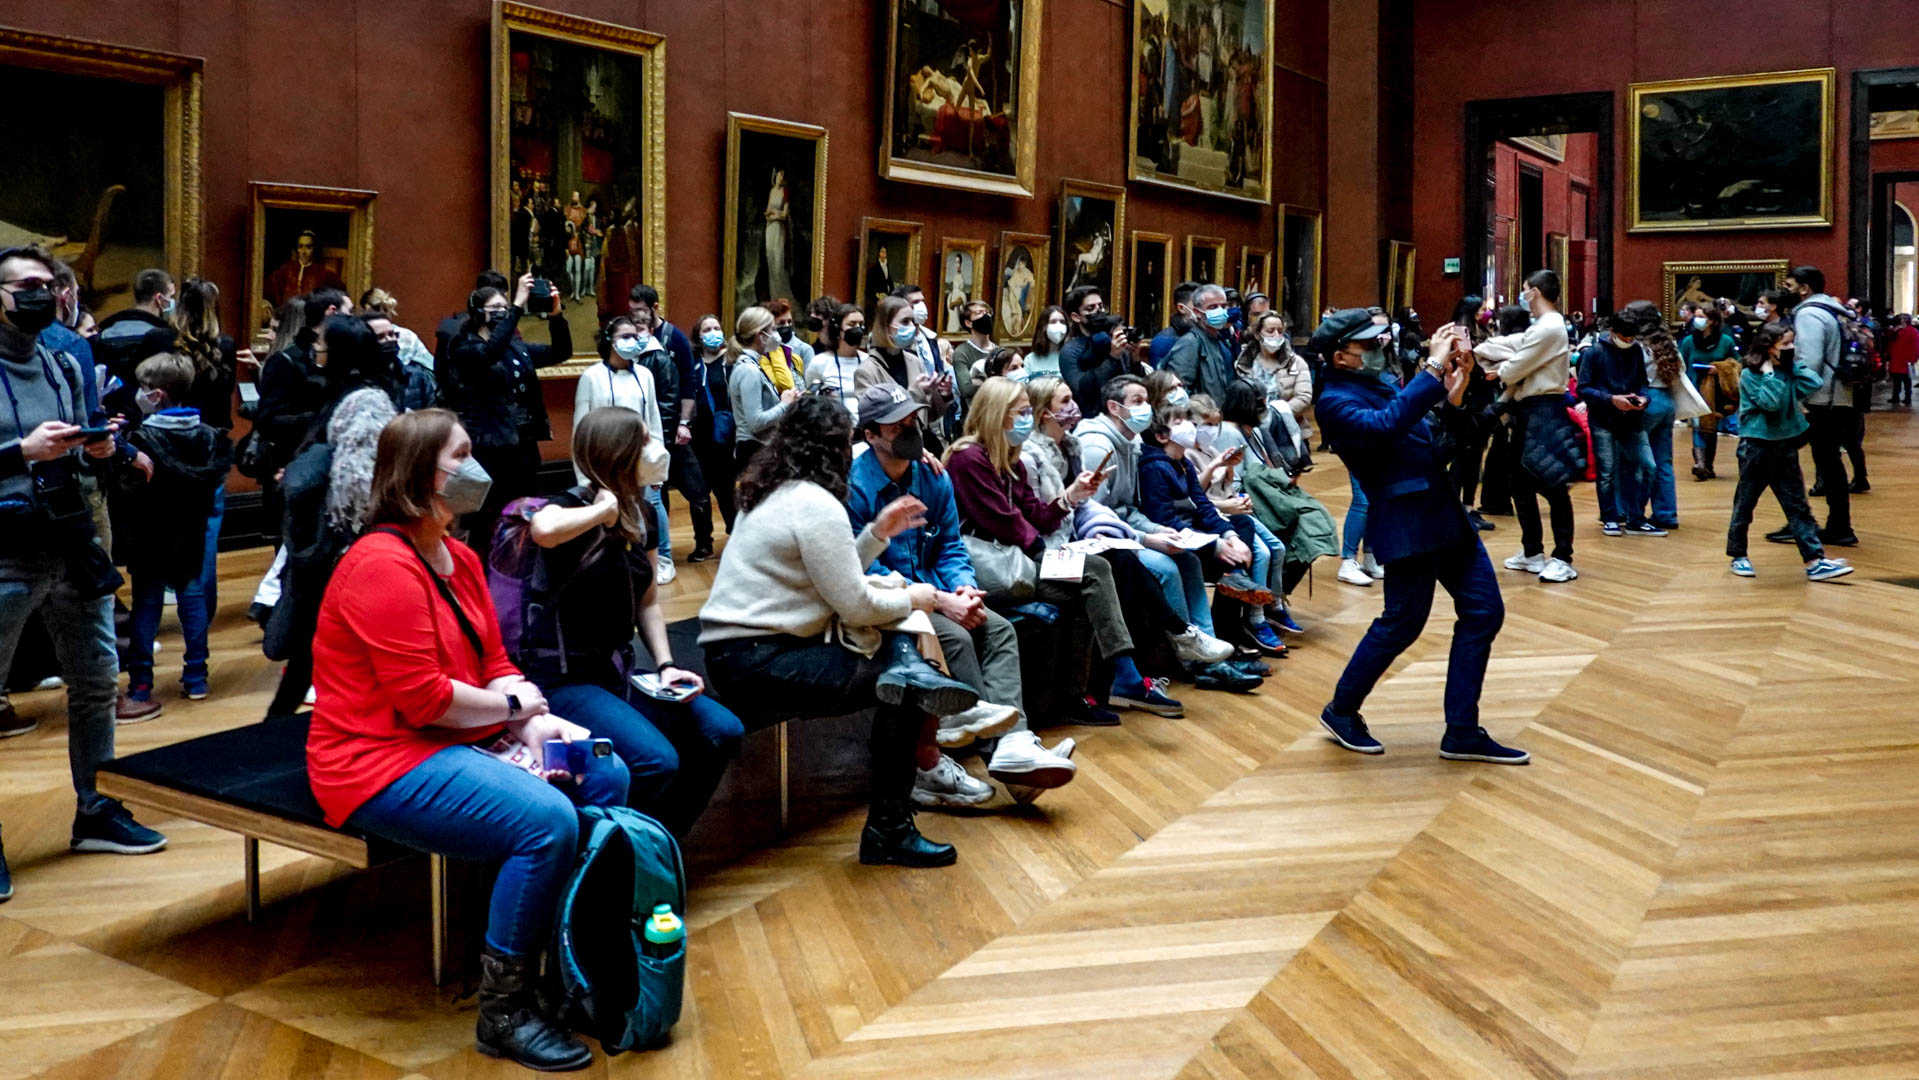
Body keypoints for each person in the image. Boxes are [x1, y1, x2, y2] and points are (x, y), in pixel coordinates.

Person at [307, 408, 622, 1071]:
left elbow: (494, 660)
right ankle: (504, 1009)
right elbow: (423, 700)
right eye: (462, 454)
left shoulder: (461, 557)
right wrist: (514, 707)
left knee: (605, 773)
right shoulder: (379, 564)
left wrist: (533, 722)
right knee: (545, 821)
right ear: (423, 472)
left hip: (459, 736)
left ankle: (568, 969)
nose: (475, 467)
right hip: (378, 758)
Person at [700, 394, 979, 867]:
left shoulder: (774, 489)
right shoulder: (815, 502)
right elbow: (854, 604)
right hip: (762, 661)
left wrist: (876, 534)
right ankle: (891, 828)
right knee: (906, 688)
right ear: (835, 448)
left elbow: (833, 574)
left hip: (739, 654)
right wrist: (921, 598)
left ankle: (941, 710)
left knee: (903, 670)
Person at [0, 245, 169, 904]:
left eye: (49, 284)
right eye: (26, 285)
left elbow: (79, 447)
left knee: (97, 682)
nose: (43, 295)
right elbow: (29, 449)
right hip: (6, 548)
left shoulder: (63, 360)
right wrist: (20, 451)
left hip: (70, 539)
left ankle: (97, 810)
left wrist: (105, 447)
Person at [847, 383, 1080, 801]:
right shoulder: (855, 487)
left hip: (940, 590)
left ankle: (1015, 744)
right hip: (892, 598)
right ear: (870, 435)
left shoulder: (931, 476)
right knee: (956, 636)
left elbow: (951, 545)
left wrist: (964, 587)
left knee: (999, 629)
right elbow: (865, 566)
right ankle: (1006, 754)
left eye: (913, 420)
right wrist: (941, 601)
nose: (910, 429)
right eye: (896, 426)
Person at [1311, 311, 1525, 764]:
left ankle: (1462, 730)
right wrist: (1430, 369)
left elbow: (1434, 443)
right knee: (1402, 623)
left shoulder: (1382, 384)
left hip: (1444, 514)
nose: (1378, 349)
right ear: (1340, 357)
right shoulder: (1334, 401)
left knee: (1484, 613)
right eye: (1368, 345)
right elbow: (1384, 427)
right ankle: (1341, 709)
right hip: (1406, 522)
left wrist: (1454, 395)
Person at [524, 406, 743, 834]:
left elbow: (648, 603)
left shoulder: (643, 512)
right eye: (643, 440)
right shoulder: (572, 504)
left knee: (723, 731)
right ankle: (610, 852)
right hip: (562, 681)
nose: (654, 448)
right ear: (617, 451)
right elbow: (543, 530)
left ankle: (658, 845)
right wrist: (600, 512)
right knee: (656, 760)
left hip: (617, 672)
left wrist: (666, 665)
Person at [948, 376, 1183, 722]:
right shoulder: (968, 458)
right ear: (997, 413)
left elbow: (1037, 515)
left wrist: (1071, 496)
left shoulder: (1010, 458)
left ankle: (1075, 697)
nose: (1028, 419)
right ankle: (1126, 671)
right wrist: (1049, 551)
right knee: (1095, 569)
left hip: (1021, 561)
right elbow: (1003, 520)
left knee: (1083, 592)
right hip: (990, 566)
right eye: (1022, 412)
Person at [1018, 375, 1199, 717]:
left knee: (1122, 560)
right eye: (1064, 401)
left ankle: (1149, 661)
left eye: (1072, 398)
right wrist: (1073, 499)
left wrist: (1119, 531)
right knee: (1111, 567)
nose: (1073, 406)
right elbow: (1039, 519)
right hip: (1045, 551)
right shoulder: (1030, 456)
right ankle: (1156, 654)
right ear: (1044, 413)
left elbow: (1088, 507)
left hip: (1073, 541)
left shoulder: (1071, 446)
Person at [1074, 375, 1259, 691]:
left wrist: (1160, 530)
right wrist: (1148, 538)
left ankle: (1209, 653)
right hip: (1102, 540)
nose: (1146, 407)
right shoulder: (1097, 447)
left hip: (1127, 528)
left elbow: (1129, 508)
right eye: (1137, 401)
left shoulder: (1132, 443)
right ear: (1114, 408)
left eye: (1147, 400)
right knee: (1167, 568)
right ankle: (1190, 660)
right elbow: (1094, 518)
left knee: (1189, 560)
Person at [117, 353, 232, 706]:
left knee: (146, 606)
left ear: (157, 395)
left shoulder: (140, 439)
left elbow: (129, 489)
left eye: (144, 387)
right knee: (193, 602)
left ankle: (141, 682)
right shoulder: (210, 436)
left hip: (150, 533)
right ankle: (197, 677)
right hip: (191, 530)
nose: (139, 392)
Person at [1137, 406, 1288, 654]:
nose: (1189, 425)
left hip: (1195, 531)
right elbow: (1165, 520)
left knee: (1242, 527)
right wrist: (1215, 544)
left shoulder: (1183, 463)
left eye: (1187, 419)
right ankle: (1231, 636)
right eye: (1179, 421)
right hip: (1176, 538)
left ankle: (1234, 591)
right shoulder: (1153, 468)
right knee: (1230, 564)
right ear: (1162, 436)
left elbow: (1203, 505)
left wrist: (1231, 537)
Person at [444, 272, 570, 559]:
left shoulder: (513, 345)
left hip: (523, 441)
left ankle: (521, 562)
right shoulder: (464, 346)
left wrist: (555, 316)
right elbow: (489, 353)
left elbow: (560, 352)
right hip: (490, 445)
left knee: (524, 506)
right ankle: (484, 566)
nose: (502, 313)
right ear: (478, 312)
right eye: (496, 308)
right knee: (490, 513)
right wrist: (516, 307)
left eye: (505, 307)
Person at [1726, 322, 1854, 583]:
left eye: (1792, 342)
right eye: (1785, 344)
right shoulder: (1751, 375)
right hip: (1757, 447)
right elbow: (1770, 404)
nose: (1791, 347)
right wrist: (1769, 374)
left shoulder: (1788, 371)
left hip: (1785, 445)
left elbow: (1814, 383)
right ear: (1768, 347)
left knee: (1797, 505)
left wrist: (1792, 365)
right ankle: (1738, 555)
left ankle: (1814, 560)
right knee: (1745, 503)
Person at [1478, 270, 1581, 583]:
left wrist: (1502, 369)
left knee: (1553, 484)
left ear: (1535, 291)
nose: (1522, 295)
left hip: (1544, 410)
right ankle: (1532, 552)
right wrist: (1496, 356)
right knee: (1520, 485)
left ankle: (1562, 557)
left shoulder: (1550, 326)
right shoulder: (1542, 326)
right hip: (1528, 411)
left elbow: (1513, 369)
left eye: (1525, 289)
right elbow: (1514, 347)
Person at [574, 315, 687, 582]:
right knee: (614, 512)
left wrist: (659, 465)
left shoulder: (644, 375)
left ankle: (662, 558)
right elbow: (581, 428)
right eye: (625, 336)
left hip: (640, 457)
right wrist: (583, 477)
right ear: (609, 341)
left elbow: (653, 419)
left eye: (635, 336)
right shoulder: (592, 377)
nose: (632, 341)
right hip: (606, 461)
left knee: (651, 508)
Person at [1773, 265, 1857, 547]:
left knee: (1783, 457)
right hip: (1836, 397)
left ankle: (1803, 523)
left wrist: (1796, 399)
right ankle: (1838, 526)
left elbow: (1808, 361)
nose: (1785, 289)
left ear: (1804, 288)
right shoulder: (1833, 310)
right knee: (1829, 462)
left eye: (1789, 285)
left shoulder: (1809, 314)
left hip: (1819, 401)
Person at [1576, 310, 1663, 538]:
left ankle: (1636, 517)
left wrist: (1644, 399)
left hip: (1632, 419)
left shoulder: (1635, 350)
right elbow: (1583, 388)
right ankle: (1610, 517)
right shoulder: (1594, 353)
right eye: (1625, 337)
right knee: (1606, 472)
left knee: (1648, 466)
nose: (1628, 340)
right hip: (1603, 420)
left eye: (1632, 337)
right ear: (1613, 332)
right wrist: (1611, 399)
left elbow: (1643, 383)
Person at [679, 314, 734, 551]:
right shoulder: (691, 363)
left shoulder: (731, 361)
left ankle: (737, 536)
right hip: (697, 438)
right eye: (706, 329)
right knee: (698, 492)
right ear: (698, 336)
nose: (713, 333)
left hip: (724, 437)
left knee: (726, 492)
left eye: (716, 328)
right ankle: (703, 543)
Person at [726, 305, 796, 476]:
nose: (776, 334)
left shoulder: (750, 365)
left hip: (757, 448)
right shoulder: (749, 370)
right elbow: (756, 422)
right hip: (753, 450)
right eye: (772, 329)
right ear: (760, 335)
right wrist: (785, 404)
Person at [1680, 303, 1741, 479]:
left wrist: (1720, 369)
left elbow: (1736, 363)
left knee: (1711, 427)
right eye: (1696, 316)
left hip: (1716, 391)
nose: (1697, 320)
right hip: (1694, 388)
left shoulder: (1726, 341)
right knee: (1697, 425)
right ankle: (1699, 463)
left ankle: (1709, 465)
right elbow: (1681, 363)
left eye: (1702, 317)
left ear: (1713, 321)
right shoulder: (1689, 341)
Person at [1164, 283, 1237, 402]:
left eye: (1223, 306)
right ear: (1197, 312)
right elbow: (1178, 391)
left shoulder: (1222, 341)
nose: (1220, 311)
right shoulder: (1190, 343)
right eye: (1213, 307)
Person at [362, 309, 438, 412]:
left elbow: (432, 414)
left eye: (391, 334)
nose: (389, 340)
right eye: (380, 337)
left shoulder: (417, 377)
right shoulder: (360, 384)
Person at [805, 303, 869, 424]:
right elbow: (810, 400)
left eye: (861, 324)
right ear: (837, 328)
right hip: (833, 429)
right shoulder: (819, 362)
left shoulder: (869, 361)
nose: (858, 328)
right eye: (852, 324)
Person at [265, 230, 345, 308]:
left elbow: (339, 294)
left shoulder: (324, 273)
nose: (303, 252)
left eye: (308, 247)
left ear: (314, 249)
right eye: (300, 247)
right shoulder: (286, 270)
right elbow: (269, 288)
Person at [950, 300, 997, 409]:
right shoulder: (962, 352)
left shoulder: (999, 351)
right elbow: (966, 389)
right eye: (979, 313)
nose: (986, 316)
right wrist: (997, 382)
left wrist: (980, 381)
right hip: (973, 414)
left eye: (987, 312)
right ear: (968, 323)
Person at [1149, 282, 1200, 367]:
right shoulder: (1164, 340)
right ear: (1181, 308)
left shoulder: (1209, 334)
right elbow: (1160, 374)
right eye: (1198, 304)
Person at [1024, 305, 1069, 379]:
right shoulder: (1030, 359)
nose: (1059, 325)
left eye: (1062, 322)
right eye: (1053, 322)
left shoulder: (1072, 356)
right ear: (1043, 326)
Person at [1887, 312, 1916, 407]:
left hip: (1905, 359)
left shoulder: (1912, 331)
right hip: (1897, 358)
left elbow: (1915, 346)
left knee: (1905, 379)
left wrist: (1913, 358)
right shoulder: (1898, 330)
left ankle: (1907, 397)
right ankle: (1896, 396)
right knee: (1897, 379)